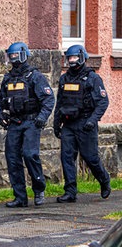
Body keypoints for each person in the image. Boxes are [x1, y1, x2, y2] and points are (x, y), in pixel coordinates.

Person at [0, 42, 55, 208]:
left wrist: (42, 118)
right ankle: (20, 197)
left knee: (30, 155)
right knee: (12, 158)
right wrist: (0, 115)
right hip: (14, 123)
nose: (13, 58)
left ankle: (38, 189)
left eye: (15, 55)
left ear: (22, 55)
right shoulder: (8, 78)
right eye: (10, 55)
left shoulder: (34, 76)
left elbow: (49, 99)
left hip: (31, 122)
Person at [53, 45, 110, 203]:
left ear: (82, 57)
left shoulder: (93, 78)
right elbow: (60, 102)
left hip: (86, 123)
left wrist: (92, 120)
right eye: (69, 58)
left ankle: (104, 180)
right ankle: (70, 191)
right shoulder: (64, 79)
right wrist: (56, 124)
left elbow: (103, 102)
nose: (72, 61)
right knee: (67, 157)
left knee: (90, 158)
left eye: (74, 58)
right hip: (69, 124)